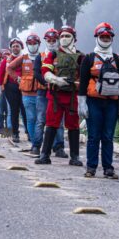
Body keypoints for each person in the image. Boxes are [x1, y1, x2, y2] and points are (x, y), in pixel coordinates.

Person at [78, 22, 119, 179]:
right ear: (97, 37)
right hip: (93, 102)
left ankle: (108, 168)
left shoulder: (118, 59)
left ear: (112, 38)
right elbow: (82, 83)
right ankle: (91, 168)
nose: (105, 39)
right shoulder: (88, 58)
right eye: (102, 36)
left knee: (108, 136)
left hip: (112, 103)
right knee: (94, 136)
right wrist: (82, 103)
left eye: (108, 36)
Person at [35, 25, 84, 166]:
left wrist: (79, 87)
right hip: (55, 96)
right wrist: (56, 80)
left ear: (74, 39)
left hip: (73, 96)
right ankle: (45, 155)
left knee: (74, 126)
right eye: (61, 36)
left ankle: (74, 157)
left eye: (67, 36)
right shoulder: (53, 54)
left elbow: (85, 77)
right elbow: (45, 71)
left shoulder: (81, 57)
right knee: (51, 124)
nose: (63, 39)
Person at [32, 29, 65, 158]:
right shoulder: (40, 56)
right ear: (45, 41)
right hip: (43, 91)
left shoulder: (62, 55)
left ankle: (59, 147)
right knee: (40, 120)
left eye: (54, 40)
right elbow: (36, 73)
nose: (51, 42)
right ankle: (36, 146)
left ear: (57, 41)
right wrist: (47, 82)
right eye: (49, 40)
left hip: (58, 92)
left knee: (59, 122)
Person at [16, 34, 41, 145]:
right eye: (30, 44)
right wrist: (18, 78)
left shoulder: (44, 56)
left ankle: (40, 141)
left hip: (41, 94)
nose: (32, 45)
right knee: (30, 119)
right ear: (26, 45)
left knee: (40, 120)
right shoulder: (24, 57)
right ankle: (34, 142)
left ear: (39, 44)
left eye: (34, 43)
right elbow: (9, 68)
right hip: (26, 94)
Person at [0, 38, 25, 142]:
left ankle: (29, 132)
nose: (15, 48)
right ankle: (15, 133)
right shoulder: (6, 60)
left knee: (25, 110)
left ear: (21, 47)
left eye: (17, 46)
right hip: (10, 88)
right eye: (13, 46)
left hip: (24, 88)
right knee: (14, 110)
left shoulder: (25, 59)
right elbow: (0, 75)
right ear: (11, 48)